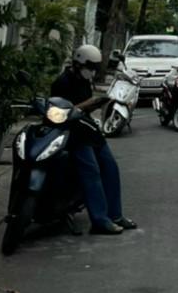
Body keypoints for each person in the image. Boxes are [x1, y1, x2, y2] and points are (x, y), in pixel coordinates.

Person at [51, 45, 137, 236]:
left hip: (88, 130)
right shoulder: (62, 83)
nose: (92, 72)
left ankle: (115, 215)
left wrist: (97, 104)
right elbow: (61, 112)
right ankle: (99, 220)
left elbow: (86, 108)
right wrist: (89, 104)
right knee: (91, 171)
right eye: (90, 67)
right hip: (72, 133)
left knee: (110, 167)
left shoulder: (85, 81)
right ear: (79, 64)